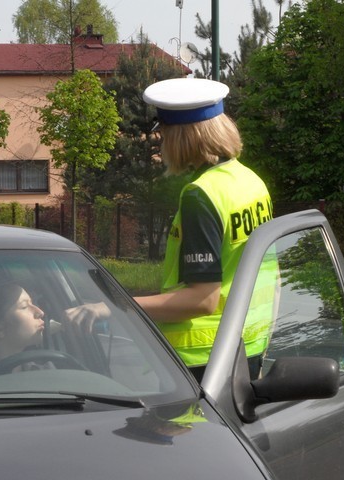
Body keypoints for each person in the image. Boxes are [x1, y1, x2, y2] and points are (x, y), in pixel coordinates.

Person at [66, 78, 274, 380]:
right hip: (248, 346)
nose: (162, 143)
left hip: (203, 359)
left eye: (164, 134)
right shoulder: (250, 181)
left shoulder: (201, 194)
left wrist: (113, 306)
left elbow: (202, 299)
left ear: (182, 136)